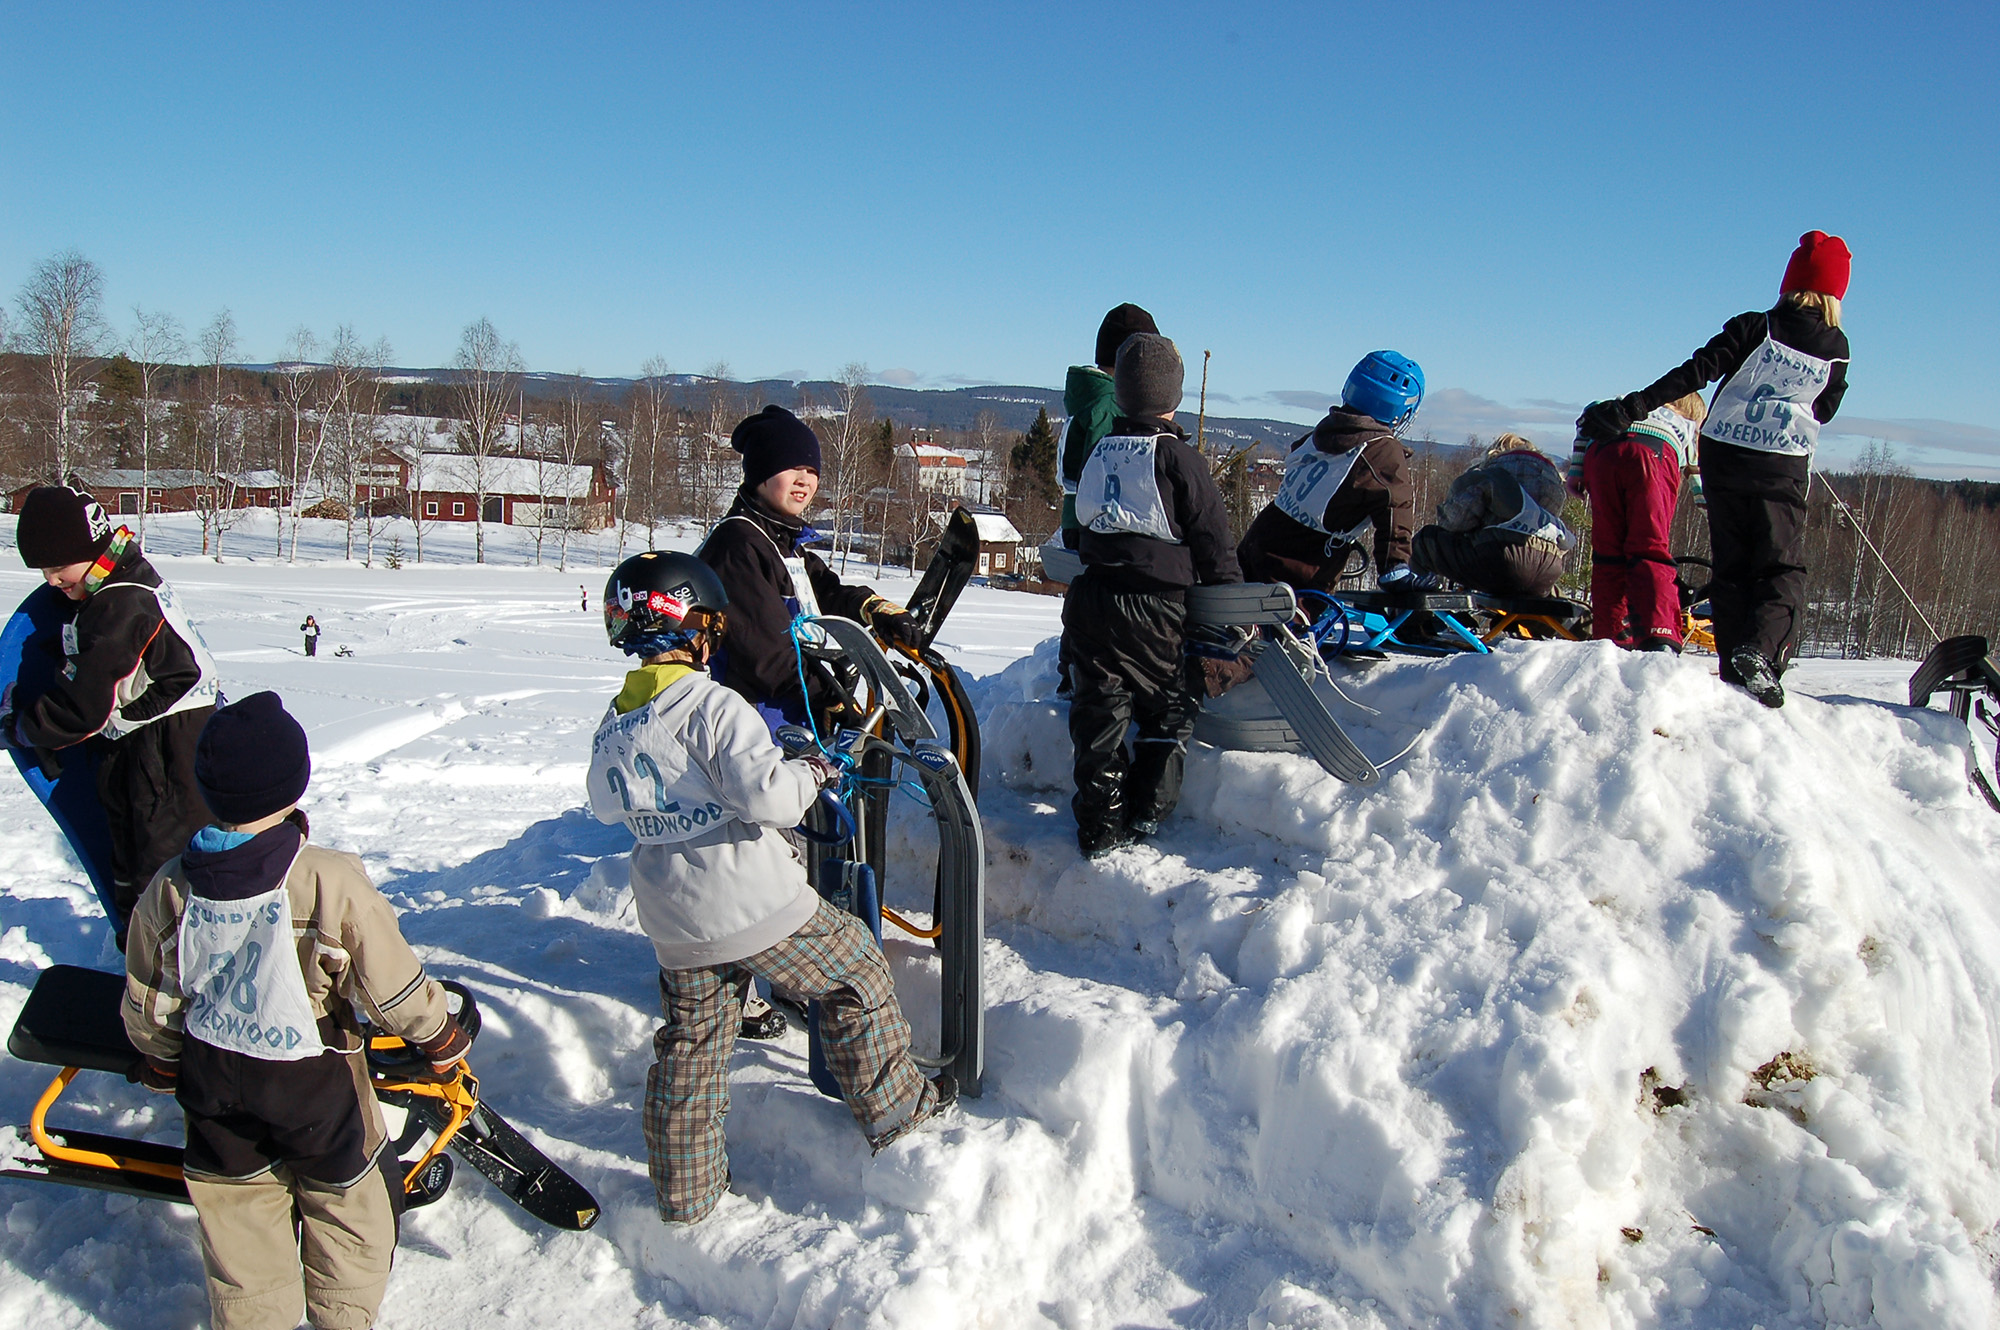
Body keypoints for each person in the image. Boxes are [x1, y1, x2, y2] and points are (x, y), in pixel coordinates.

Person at [589, 550, 950, 1223]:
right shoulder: (712, 705)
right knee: (856, 973)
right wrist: (812, 771)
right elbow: (773, 799)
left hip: (674, 918)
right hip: (753, 902)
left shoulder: (617, 720)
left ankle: (686, 1195)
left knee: (693, 1046)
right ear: (692, 627)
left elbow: (608, 805)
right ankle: (900, 1112)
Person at [123, 691, 471, 1330]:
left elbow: (152, 994)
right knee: (349, 1203)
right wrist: (439, 1033)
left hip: (213, 1073)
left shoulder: (170, 883)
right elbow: (385, 983)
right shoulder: (324, 877)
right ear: (294, 783)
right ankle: (340, 1317)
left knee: (239, 1216)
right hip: (311, 1078)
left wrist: (161, 1057)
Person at [1577, 231, 1851, 707]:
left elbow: (1696, 371)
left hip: (1723, 456)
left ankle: (1732, 666)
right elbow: (1825, 408)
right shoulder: (1835, 347)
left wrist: (1635, 406)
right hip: (1781, 466)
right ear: (1835, 293)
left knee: (1732, 566)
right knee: (1780, 567)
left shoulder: (1754, 326)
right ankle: (1758, 656)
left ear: (1790, 283)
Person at [5, 485, 219, 945]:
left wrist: (19, 727)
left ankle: (165, 972)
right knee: (137, 854)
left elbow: (82, 708)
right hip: (156, 745)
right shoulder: (120, 576)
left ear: (88, 551)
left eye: (57, 569)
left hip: (166, 754)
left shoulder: (119, 604)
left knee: (158, 864)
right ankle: (142, 953)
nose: (51, 582)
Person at [1066, 333, 1241, 856]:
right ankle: (1145, 810)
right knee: (1169, 704)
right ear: (1174, 397)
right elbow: (1212, 538)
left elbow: (1081, 525)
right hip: (1155, 609)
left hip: (1093, 600)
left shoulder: (1102, 450)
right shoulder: (1179, 458)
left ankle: (1099, 825)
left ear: (1119, 394)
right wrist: (1231, 599)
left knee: (1100, 709)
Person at [697, 404, 919, 735]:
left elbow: (824, 591)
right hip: (753, 725)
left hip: (791, 714)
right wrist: (833, 697)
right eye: (791, 467)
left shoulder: (781, 541)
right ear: (761, 472)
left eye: (812, 470)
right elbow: (767, 657)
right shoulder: (737, 545)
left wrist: (873, 608)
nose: (805, 480)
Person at [1237, 351, 1435, 592]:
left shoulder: (1326, 429)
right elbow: (1395, 505)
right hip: (1305, 562)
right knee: (1291, 622)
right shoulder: (1382, 449)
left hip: (1262, 536)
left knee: (1247, 614)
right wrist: (1394, 565)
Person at [1055, 303, 1161, 697]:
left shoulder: (1088, 400)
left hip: (1078, 518)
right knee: (1101, 599)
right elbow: (1102, 469)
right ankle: (1090, 672)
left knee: (1087, 596)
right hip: (1098, 519)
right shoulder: (1108, 405)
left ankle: (1077, 668)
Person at [1567, 395, 1707, 651]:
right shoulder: (1685, 423)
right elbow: (1695, 471)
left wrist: (1576, 473)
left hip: (1601, 455)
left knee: (1607, 554)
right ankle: (1659, 636)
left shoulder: (1624, 404)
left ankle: (1610, 637)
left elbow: (1586, 417)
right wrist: (1706, 505)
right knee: (1649, 548)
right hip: (1653, 455)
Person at [1410, 436, 1577, 598]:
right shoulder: (1554, 485)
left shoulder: (1491, 476)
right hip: (1547, 569)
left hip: (1499, 562)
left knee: (1425, 541)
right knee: (1529, 595)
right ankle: (1539, 625)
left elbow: (1454, 522)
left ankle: (1416, 621)